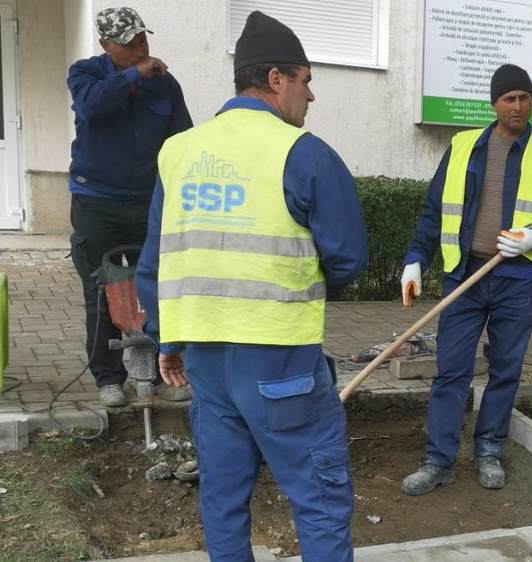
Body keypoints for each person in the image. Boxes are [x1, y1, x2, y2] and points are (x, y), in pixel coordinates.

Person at [135, 11, 367, 562]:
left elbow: (156, 262)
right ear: (276, 79)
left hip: (206, 360)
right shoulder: (304, 152)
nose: (311, 96)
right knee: (319, 498)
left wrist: (167, 338)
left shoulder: (179, 152)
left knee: (222, 496)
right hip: (281, 361)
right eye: (305, 81)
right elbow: (347, 258)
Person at [399, 64, 532, 495]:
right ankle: (439, 460)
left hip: (515, 281)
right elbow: (434, 210)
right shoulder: (463, 147)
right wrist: (415, 260)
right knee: (451, 371)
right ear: (493, 104)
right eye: (509, 98)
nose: (518, 106)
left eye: (524, 98)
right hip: (464, 275)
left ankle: (488, 450)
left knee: (505, 369)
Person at [68, 6, 193, 407]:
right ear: (105, 44)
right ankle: (109, 378)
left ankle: (160, 372)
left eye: (143, 39)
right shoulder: (86, 74)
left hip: (148, 203)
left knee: (155, 287)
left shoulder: (165, 85)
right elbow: (92, 106)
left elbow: (181, 140)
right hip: (97, 201)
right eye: (129, 43)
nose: (141, 49)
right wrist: (134, 75)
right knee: (101, 289)